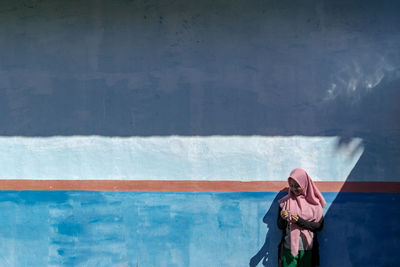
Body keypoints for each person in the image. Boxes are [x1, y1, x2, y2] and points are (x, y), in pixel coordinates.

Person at [277, 168, 326, 267]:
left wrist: (300, 221)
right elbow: (280, 226)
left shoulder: (315, 204)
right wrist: (282, 217)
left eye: (297, 186)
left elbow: (319, 226)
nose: (294, 189)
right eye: (291, 186)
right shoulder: (285, 203)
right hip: (289, 249)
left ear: (304, 184)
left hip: (308, 249)